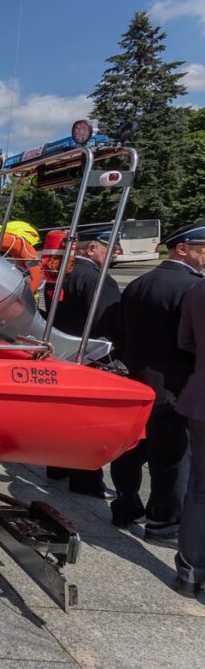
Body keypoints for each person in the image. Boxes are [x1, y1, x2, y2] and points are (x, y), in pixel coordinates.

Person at [111, 221, 205, 547]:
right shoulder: (192, 287)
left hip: (136, 378)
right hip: (173, 385)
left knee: (131, 451)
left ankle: (125, 506)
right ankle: (163, 525)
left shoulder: (139, 283)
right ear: (182, 249)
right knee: (172, 460)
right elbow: (191, 342)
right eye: (202, 249)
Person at [46, 231, 121, 497]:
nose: (116, 253)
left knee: (61, 418)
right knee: (86, 424)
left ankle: (56, 468)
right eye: (109, 247)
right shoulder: (97, 279)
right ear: (91, 249)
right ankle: (86, 481)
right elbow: (109, 322)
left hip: (61, 353)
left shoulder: (60, 273)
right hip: (89, 356)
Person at [175, 274, 205, 597]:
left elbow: (184, 341)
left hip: (200, 397)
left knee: (199, 488)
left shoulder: (199, 288)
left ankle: (190, 573)